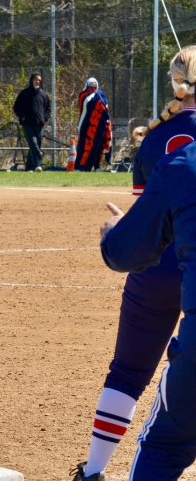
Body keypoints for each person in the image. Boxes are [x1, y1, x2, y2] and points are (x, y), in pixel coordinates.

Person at [70, 46, 196, 481]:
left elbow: (146, 223)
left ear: (175, 83)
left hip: (157, 265)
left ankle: (94, 471)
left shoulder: (157, 135)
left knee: (127, 372)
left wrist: (117, 230)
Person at [96, 140, 196, 480]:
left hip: (158, 278)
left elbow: (124, 251)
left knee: (164, 447)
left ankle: (93, 469)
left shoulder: (181, 160)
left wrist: (114, 231)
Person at [13, 72, 51, 172]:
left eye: (39, 80)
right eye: (35, 79)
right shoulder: (24, 93)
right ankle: (38, 164)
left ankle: (29, 168)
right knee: (33, 143)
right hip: (27, 124)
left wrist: (45, 118)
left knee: (36, 145)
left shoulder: (43, 94)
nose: (37, 81)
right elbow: (16, 107)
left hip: (39, 124)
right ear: (31, 80)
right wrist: (23, 117)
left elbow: (48, 108)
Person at [75, 77, 113, 171]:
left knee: (99, 146)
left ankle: (97, 166)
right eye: (91, 85)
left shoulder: (101, 94)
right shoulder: (84, 95)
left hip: (100, 126)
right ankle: (83, 166)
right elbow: (84, 111)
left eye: (94, 85)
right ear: (87, 85)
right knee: (86, 146)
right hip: (88, 126)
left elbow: (106, 110)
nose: (93, 87)